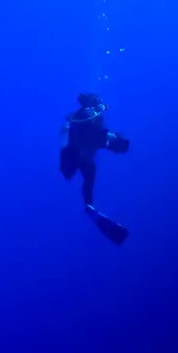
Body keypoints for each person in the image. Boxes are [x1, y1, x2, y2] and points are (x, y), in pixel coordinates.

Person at [59, 91, 131, 243]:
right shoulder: (89, 115)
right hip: (79, 151)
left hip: (77, 154)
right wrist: (114, 141)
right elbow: (97, 135)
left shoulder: (87, 117)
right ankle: (88, 205)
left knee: (90, 174)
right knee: (90, 172)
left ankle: (88, 206)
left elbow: (98, 136)